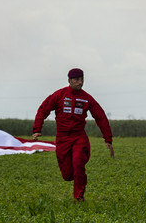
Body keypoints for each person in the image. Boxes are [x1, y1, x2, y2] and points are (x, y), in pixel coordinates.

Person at [32, 68, 114, 201]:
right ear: (69, 80)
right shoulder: (59, 95)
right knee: (68, 175)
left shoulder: (87, 99)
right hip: (63, 138)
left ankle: (79, 197)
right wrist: (37, 129)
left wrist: (108, 138)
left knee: (78, 163)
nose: (80, 82)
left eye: (82, 79)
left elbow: (101, 117)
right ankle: (77, 178)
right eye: (77, 80)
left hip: (79, 137)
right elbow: (43, 109)